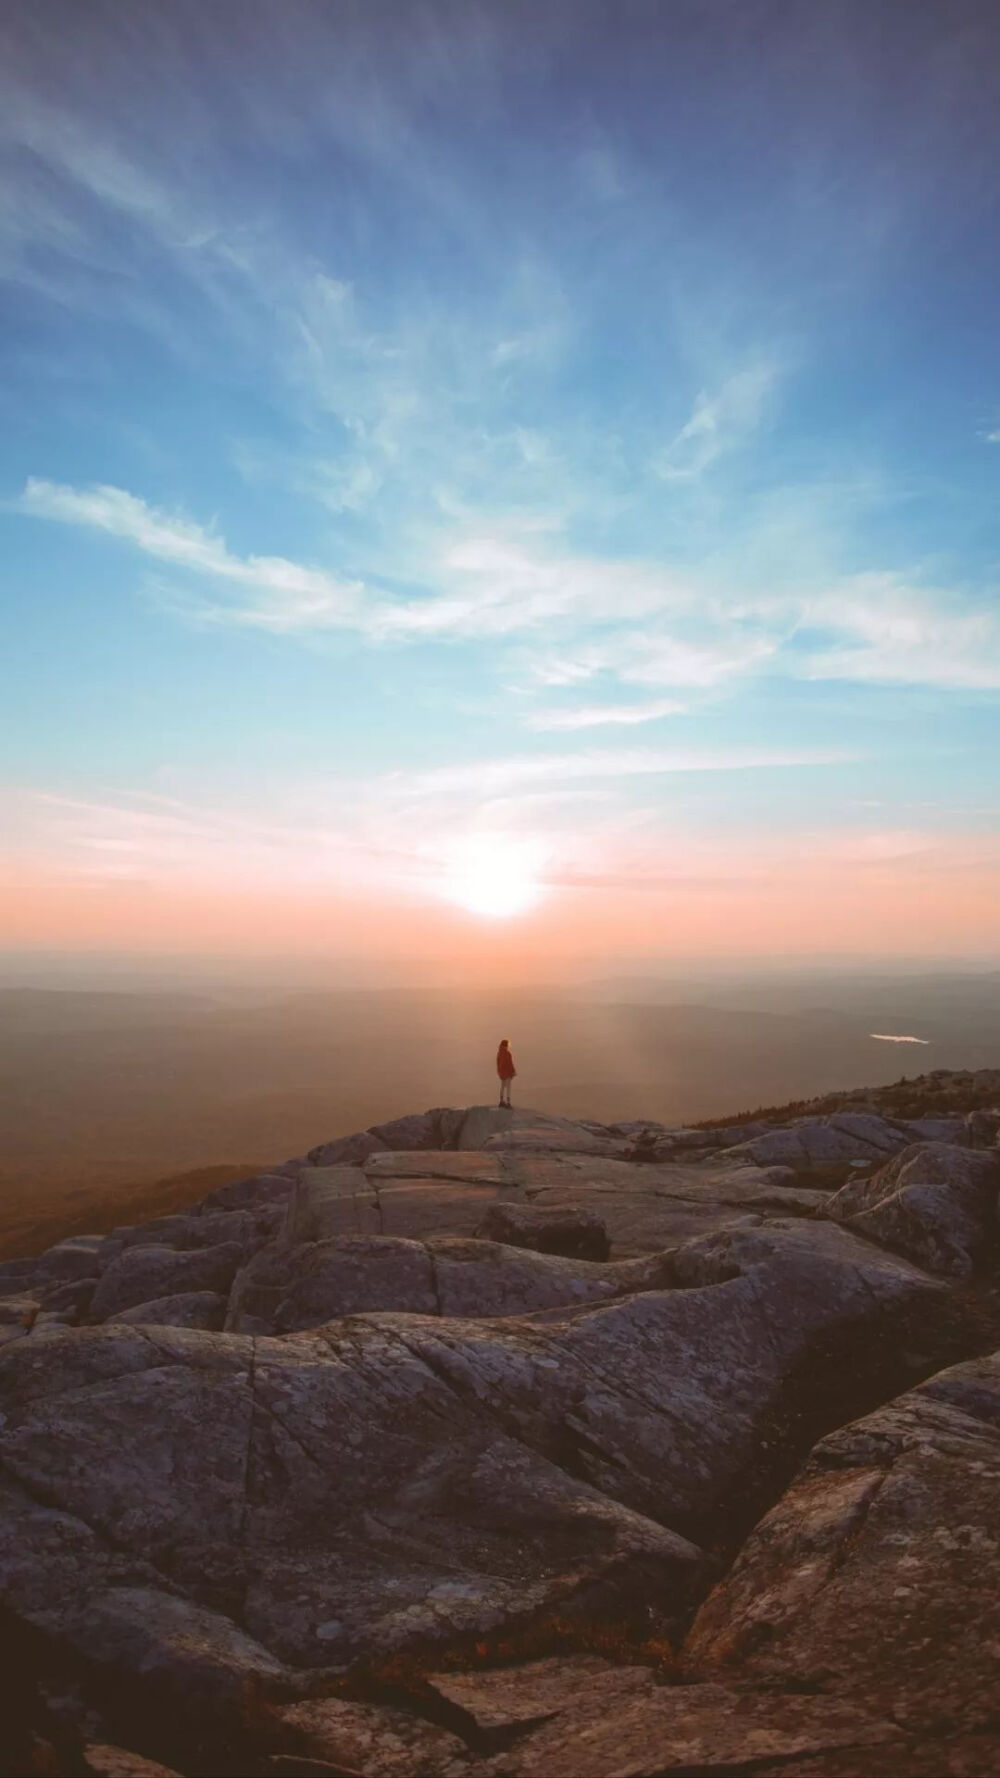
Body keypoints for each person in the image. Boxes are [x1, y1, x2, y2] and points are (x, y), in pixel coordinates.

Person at [496, 1038, 516, 1108]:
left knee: (502, 1087)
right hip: (507, 1073)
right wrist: (513, 1071)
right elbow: (510, 1063)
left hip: (501, 1073)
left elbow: (498, 1063)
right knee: (508, 1087)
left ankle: (501, 1101)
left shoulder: (499, 1053)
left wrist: (499, 1072)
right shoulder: (507, 1054)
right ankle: (508, 1102)